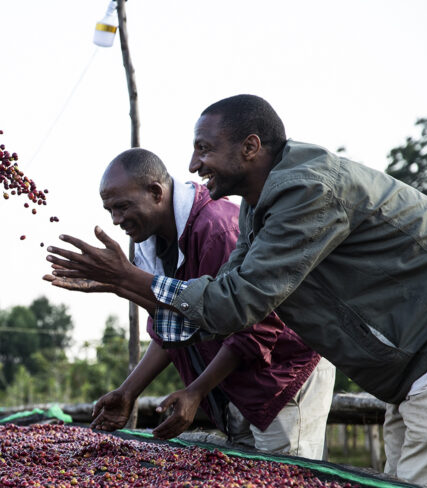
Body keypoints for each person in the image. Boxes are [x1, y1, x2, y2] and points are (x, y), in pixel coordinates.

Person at [46, 94, 427, 488]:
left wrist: (129, 279)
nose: (192, 165)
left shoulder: (305, 192)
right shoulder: (257, 207)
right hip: (410, 370)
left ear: (250, 147)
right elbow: (217, 302)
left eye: (204, 149)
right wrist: (127, 290)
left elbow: (241, 305)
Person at [46, 148, 334, 457]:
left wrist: (196, 390)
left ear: (156, 192)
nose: (117, 220)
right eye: (109, 211)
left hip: (281, 374)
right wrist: (128, 391)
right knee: (248, 486)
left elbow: (255, 327)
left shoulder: (217, 230)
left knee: (286, 484)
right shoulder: (150, 243)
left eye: (122, 207)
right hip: (237, 384)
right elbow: (171, 326)